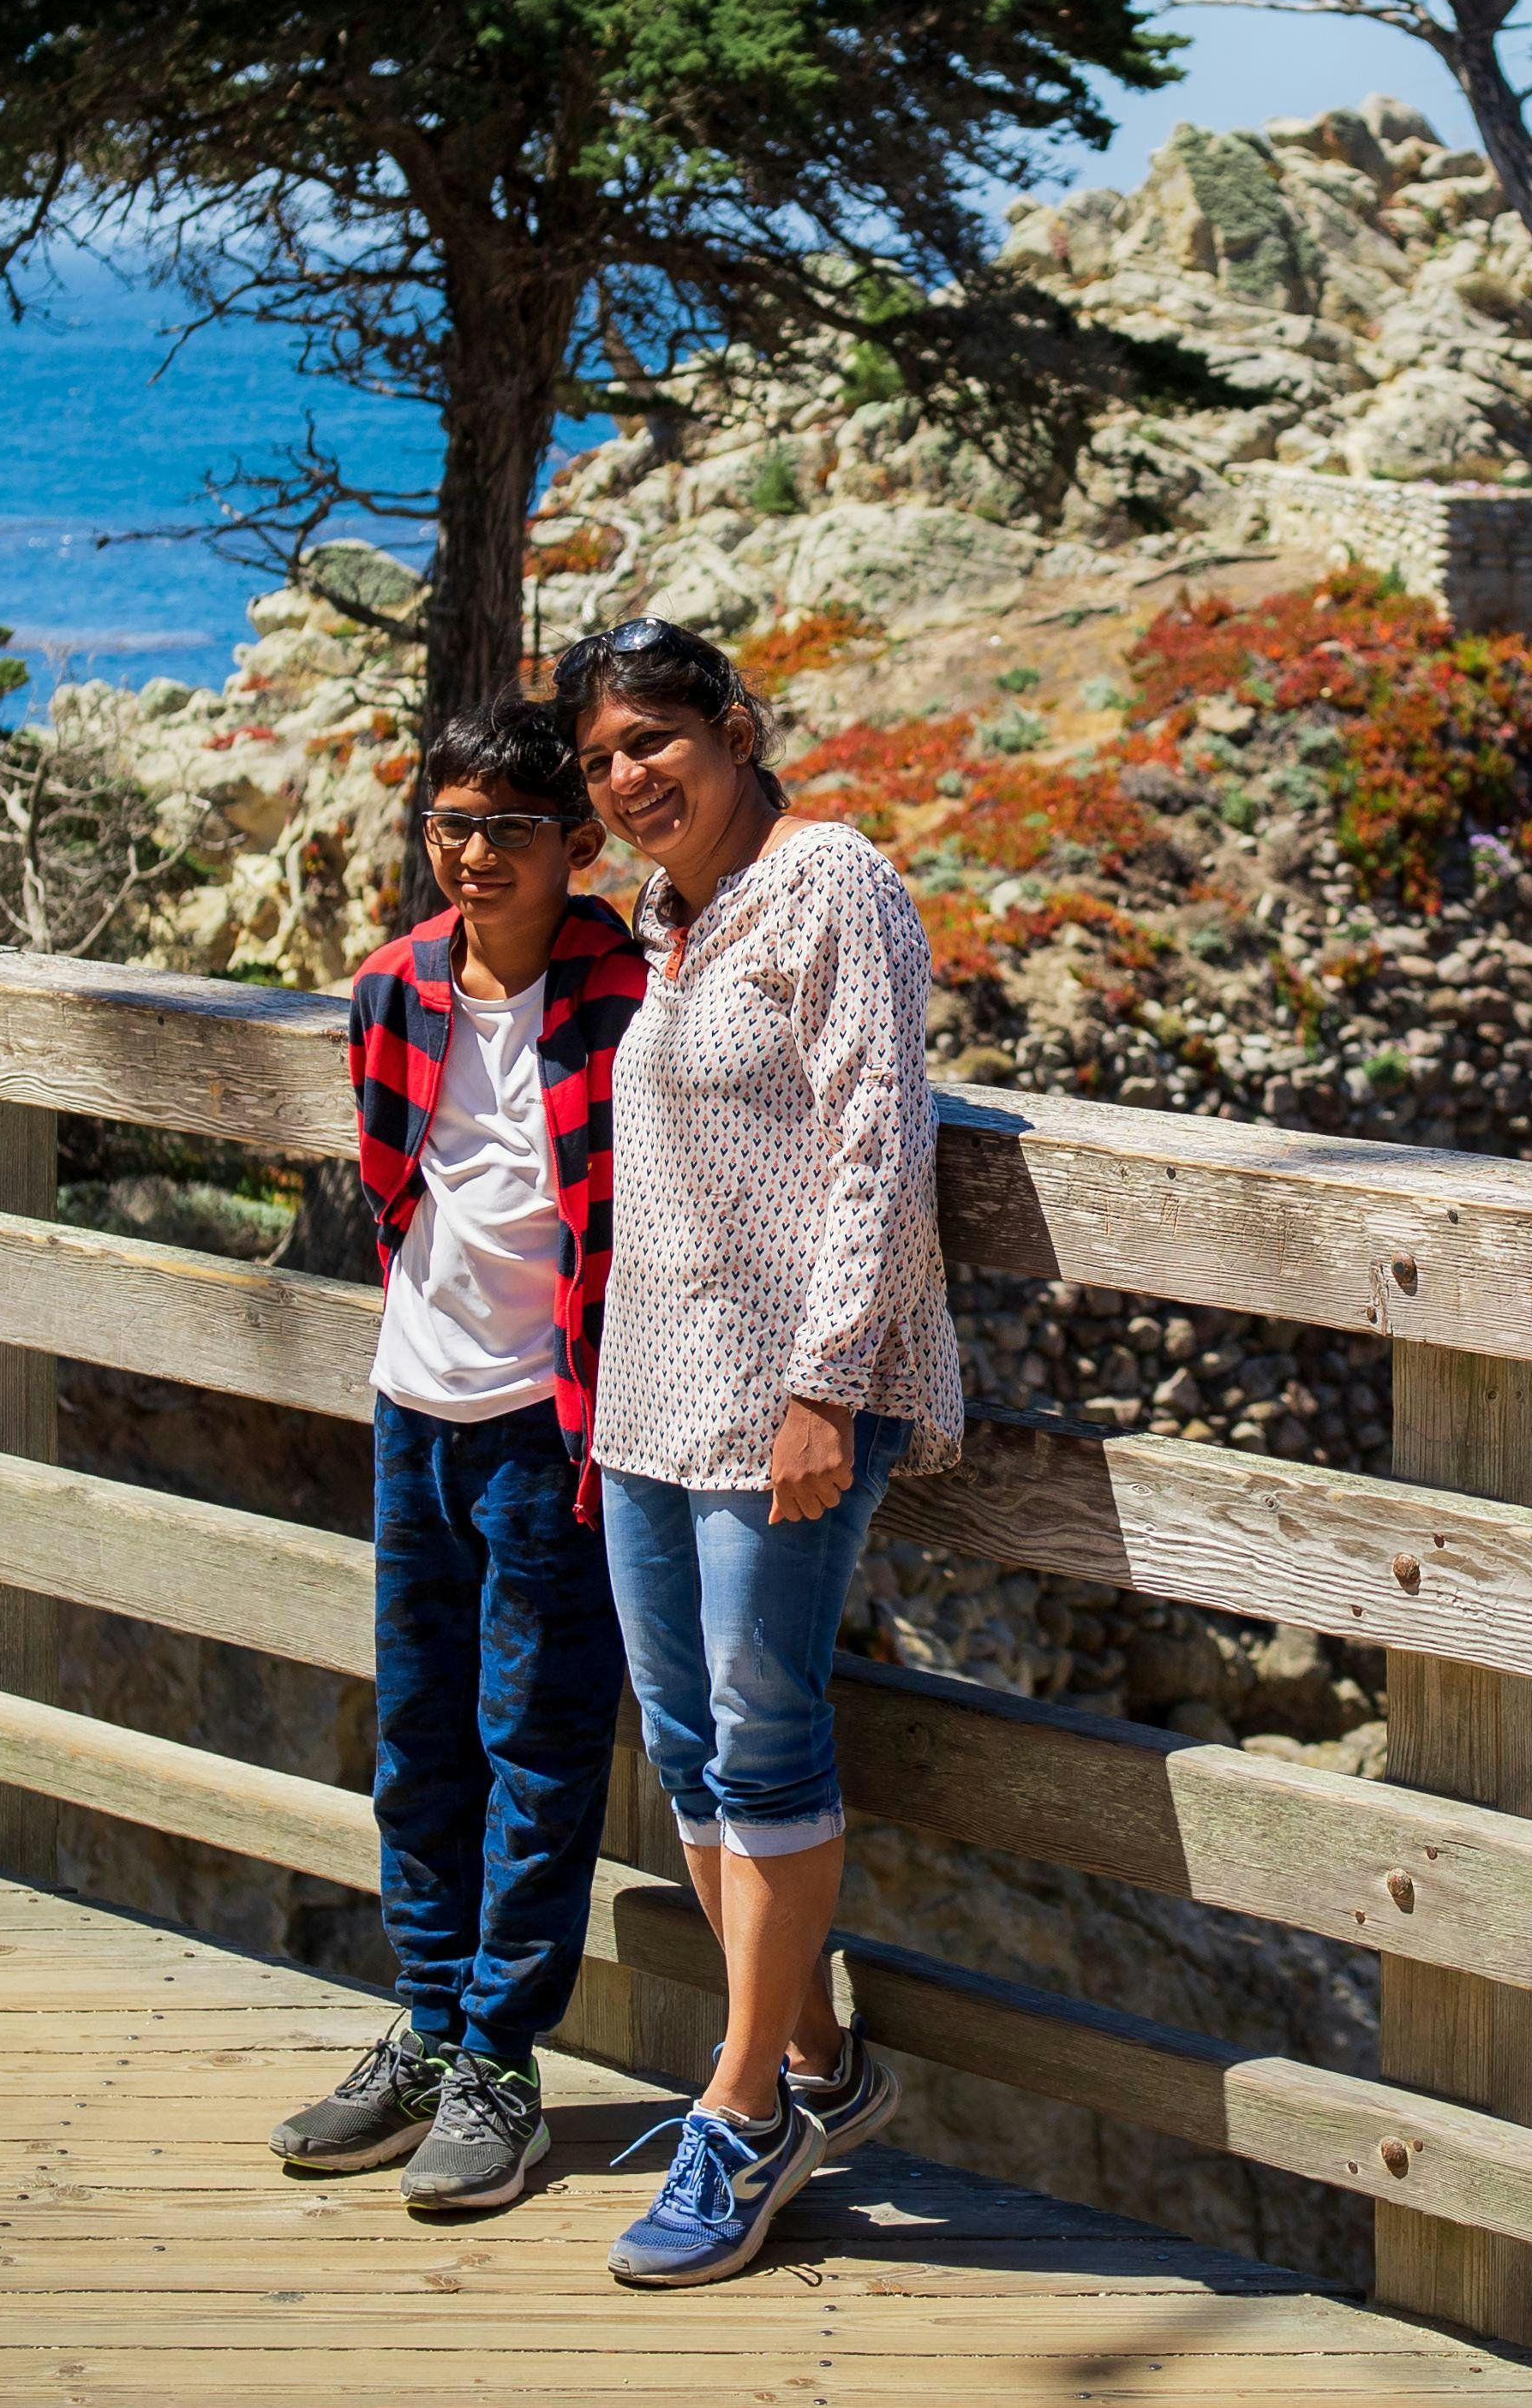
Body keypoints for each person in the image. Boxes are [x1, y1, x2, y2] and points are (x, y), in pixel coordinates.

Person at [554, 616, 960, 2288]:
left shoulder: (832, 880)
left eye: (652, 738)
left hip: (791, 1398)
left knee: (765, 1733)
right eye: (598, 760)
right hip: (652, 1393)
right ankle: (814, 2069)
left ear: (734, 728)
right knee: (690, 1745)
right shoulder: (672, 915)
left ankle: (738, 2106)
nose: (627, 776)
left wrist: (822, 1384)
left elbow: (880, 1146)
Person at [268, 700, 648, 2210]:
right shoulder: (390, 990)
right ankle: (428, 2029)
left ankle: (500, 2060)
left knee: (538, 1754)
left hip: (553, 1433)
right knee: (417, 1740)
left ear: (577, 841)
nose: (473, 855)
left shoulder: (628, 1002)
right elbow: (392, 1185)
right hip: (409, 1409)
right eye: (450, 824)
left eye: (506, 827)